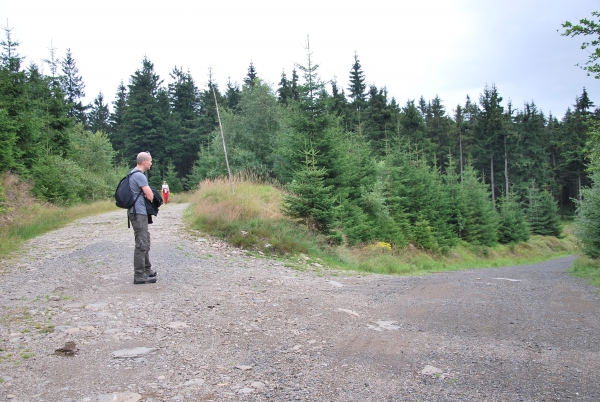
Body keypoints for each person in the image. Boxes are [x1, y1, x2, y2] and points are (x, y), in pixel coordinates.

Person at [128, 151, 157, 285]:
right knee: (141, 243)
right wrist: (149, 194)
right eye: (150, 161)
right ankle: (139, 275)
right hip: (138, 213)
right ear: (144, 161)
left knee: (144, 239)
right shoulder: (140, 176)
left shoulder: (132, 173)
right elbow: (150, 196)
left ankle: (147, 269)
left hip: (136, 213)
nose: (151, 163)